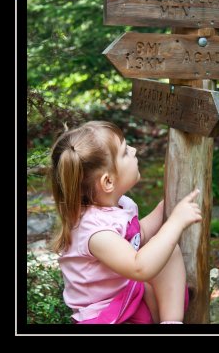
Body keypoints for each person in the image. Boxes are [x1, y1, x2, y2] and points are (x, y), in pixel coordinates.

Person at [50, 121, 202, 324]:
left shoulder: (121, 206)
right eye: (124, 152)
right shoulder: (96, 232)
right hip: (107, 315)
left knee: (168, 251)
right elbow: (139, 267)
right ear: (108, 181)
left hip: (130, 299)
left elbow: (139, 237)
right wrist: (175, 222)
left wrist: (165, 209)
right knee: (161, 249)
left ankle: (172, 322)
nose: (134, 149)